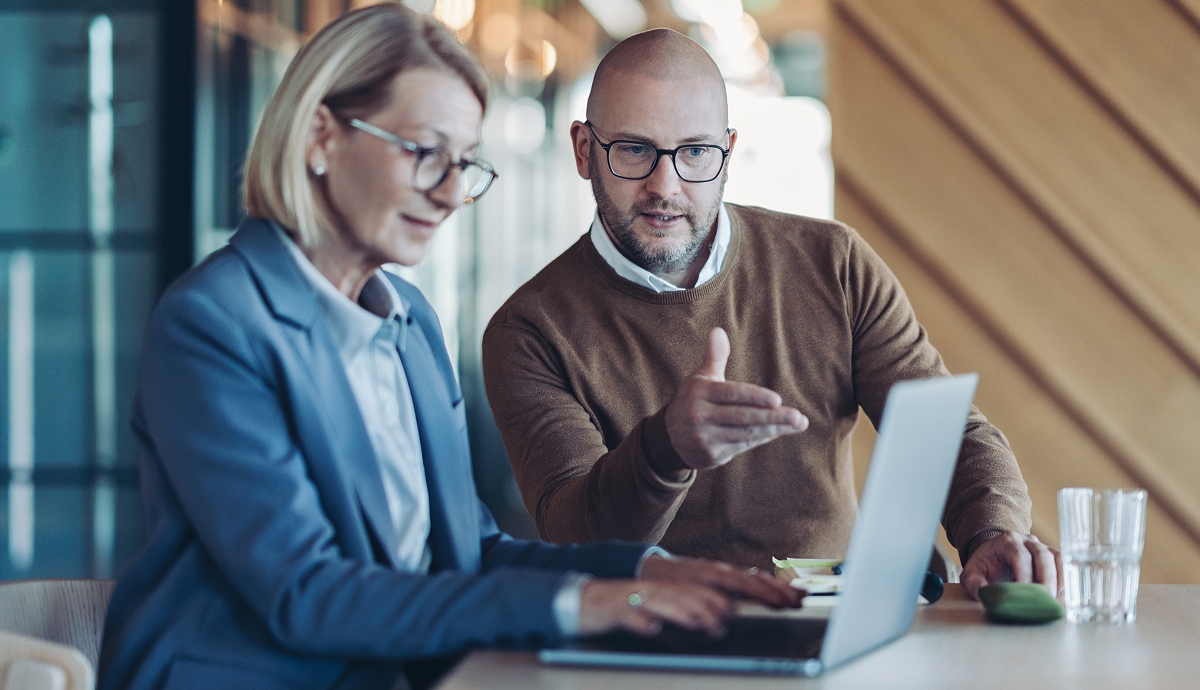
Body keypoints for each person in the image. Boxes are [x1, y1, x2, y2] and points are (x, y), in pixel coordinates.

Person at [97, 9, 802, 690]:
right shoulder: (213, 322)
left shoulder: (408, 322)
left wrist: (641, 571)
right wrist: (578, 605)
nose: (445, 193)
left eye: (463, 163)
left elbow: (470, 555)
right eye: (424, 153)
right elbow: (305, 593)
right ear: (319, 137)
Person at [482, 28, 1061, 601]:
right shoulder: (529, 330)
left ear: (728, 152)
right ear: (586, 151)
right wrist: (665, 448)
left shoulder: (833, 263)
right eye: (634, 149)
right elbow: (576, 539)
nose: (666, 184)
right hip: (655, 636)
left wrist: (992, 531)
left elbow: (942, 433)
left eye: (694, 152)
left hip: (833, 620)